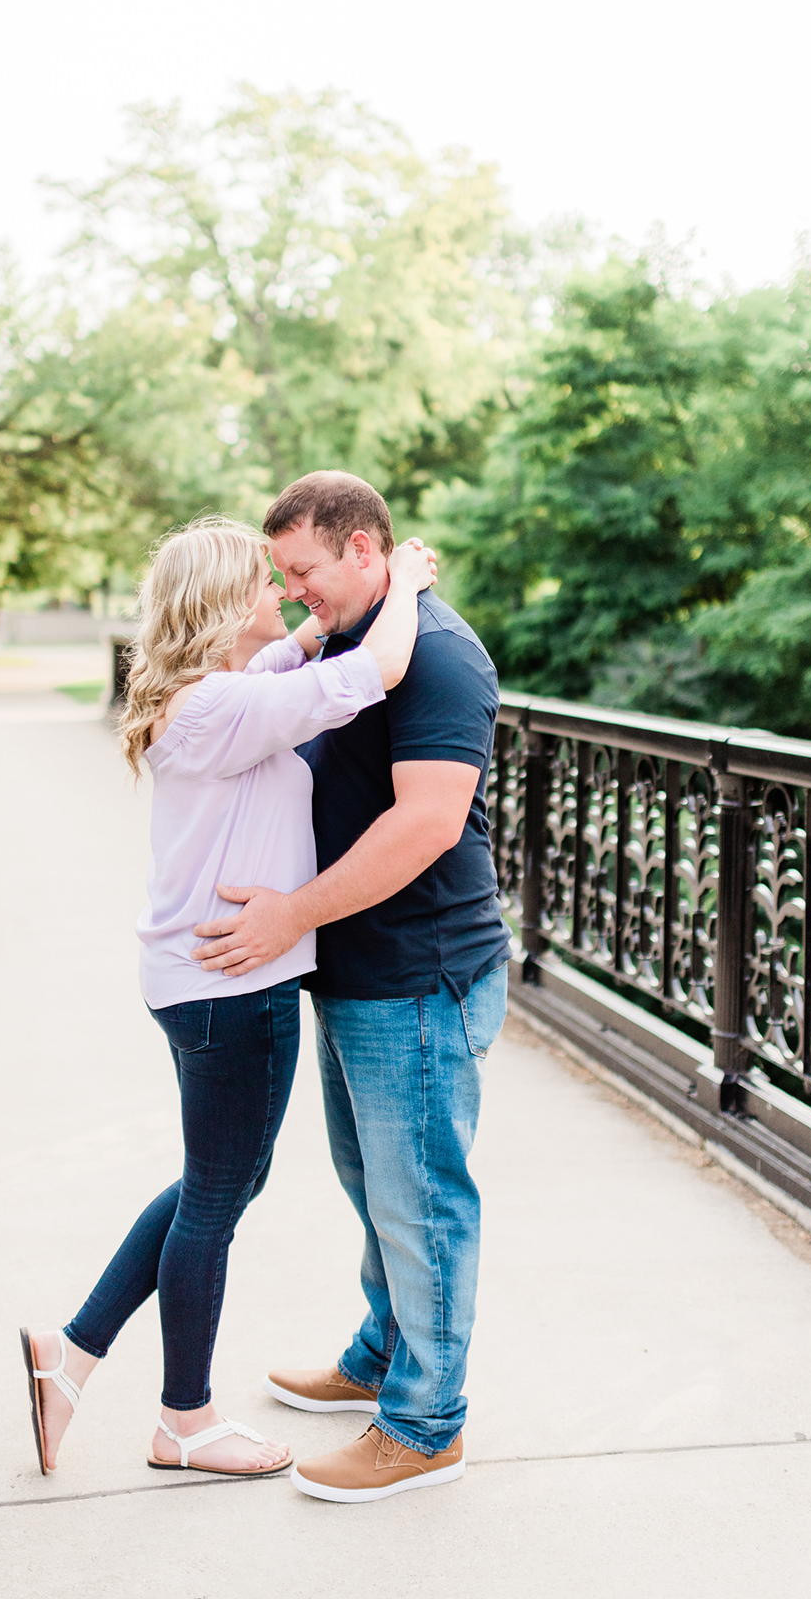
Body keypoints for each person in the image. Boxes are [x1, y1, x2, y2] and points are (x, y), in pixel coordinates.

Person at [21, 516, 437, 1478]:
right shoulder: (218, 709)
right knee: (215, 1197)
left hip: (204, 983)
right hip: (230, 987)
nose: (284, 595)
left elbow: (291, 660)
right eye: (264, 582)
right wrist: (406, 580)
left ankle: (71, 1354)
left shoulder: (214, 693)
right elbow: (370, 670)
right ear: (218, 606)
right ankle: (185, 1421)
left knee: (216, 1184)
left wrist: (300, 631)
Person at [191, 471, 512, 1504]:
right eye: (281, 576)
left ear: (366, 550)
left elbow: (423, 826)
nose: (292, 593)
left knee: (420, 1201)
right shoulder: (353, 637)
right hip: (355, 969)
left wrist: (289, 913)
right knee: (374, 1187)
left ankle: (423, 1425)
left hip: (420, 972)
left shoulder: (443, 660)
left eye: (304, 572)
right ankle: (380, 1355)